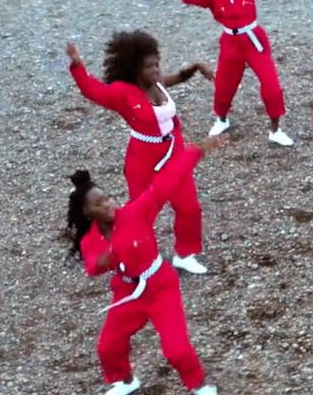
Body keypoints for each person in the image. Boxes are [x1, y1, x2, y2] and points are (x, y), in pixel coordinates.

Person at [61, 138, 225, 395]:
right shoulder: (91, 238)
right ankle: (126, 381)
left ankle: (202, 388)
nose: (110, 203)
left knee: (176, 349)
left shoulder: (136, 212)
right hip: (127, 291)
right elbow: (92, 267)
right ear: (88, 213)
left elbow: (166, 182)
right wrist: (107, 257)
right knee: (108, 347)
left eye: (108, 197)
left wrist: (197, 150)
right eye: (100, 203)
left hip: (160, 285)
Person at [66, 34, 212, 274]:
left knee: (189, 207)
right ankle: (137, 255)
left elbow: (177, 78)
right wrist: (77, 65)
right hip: (142, 160)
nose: (155, 70)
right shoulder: (123, 93)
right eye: (148, 66)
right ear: (134, 69)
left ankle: (185, 254)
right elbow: (93, 91)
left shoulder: (159, 84)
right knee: (141, 215)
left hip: (174, 154)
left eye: (157, 63)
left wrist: (195, 67)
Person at [179, 0, 313, 146]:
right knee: (224, 85)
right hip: (230, 42)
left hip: (254, 41)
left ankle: (275, 130)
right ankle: (221, 119)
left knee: (271, 85)